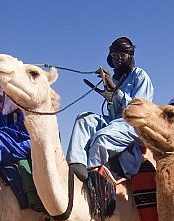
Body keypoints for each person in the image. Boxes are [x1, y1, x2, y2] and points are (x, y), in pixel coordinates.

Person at [64, 36, 154, 182]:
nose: (117, 58)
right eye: (114, 55)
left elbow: (138, 110)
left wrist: (114, 89)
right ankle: (76, 164)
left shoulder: (140, 76)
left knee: (101, 138)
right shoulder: (116, 79)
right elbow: (113, 111)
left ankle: (95, 182)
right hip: (115, 122)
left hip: (133, 125)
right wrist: (109, 91)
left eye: (122, 55)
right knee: (84, 118)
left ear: (130, 56)